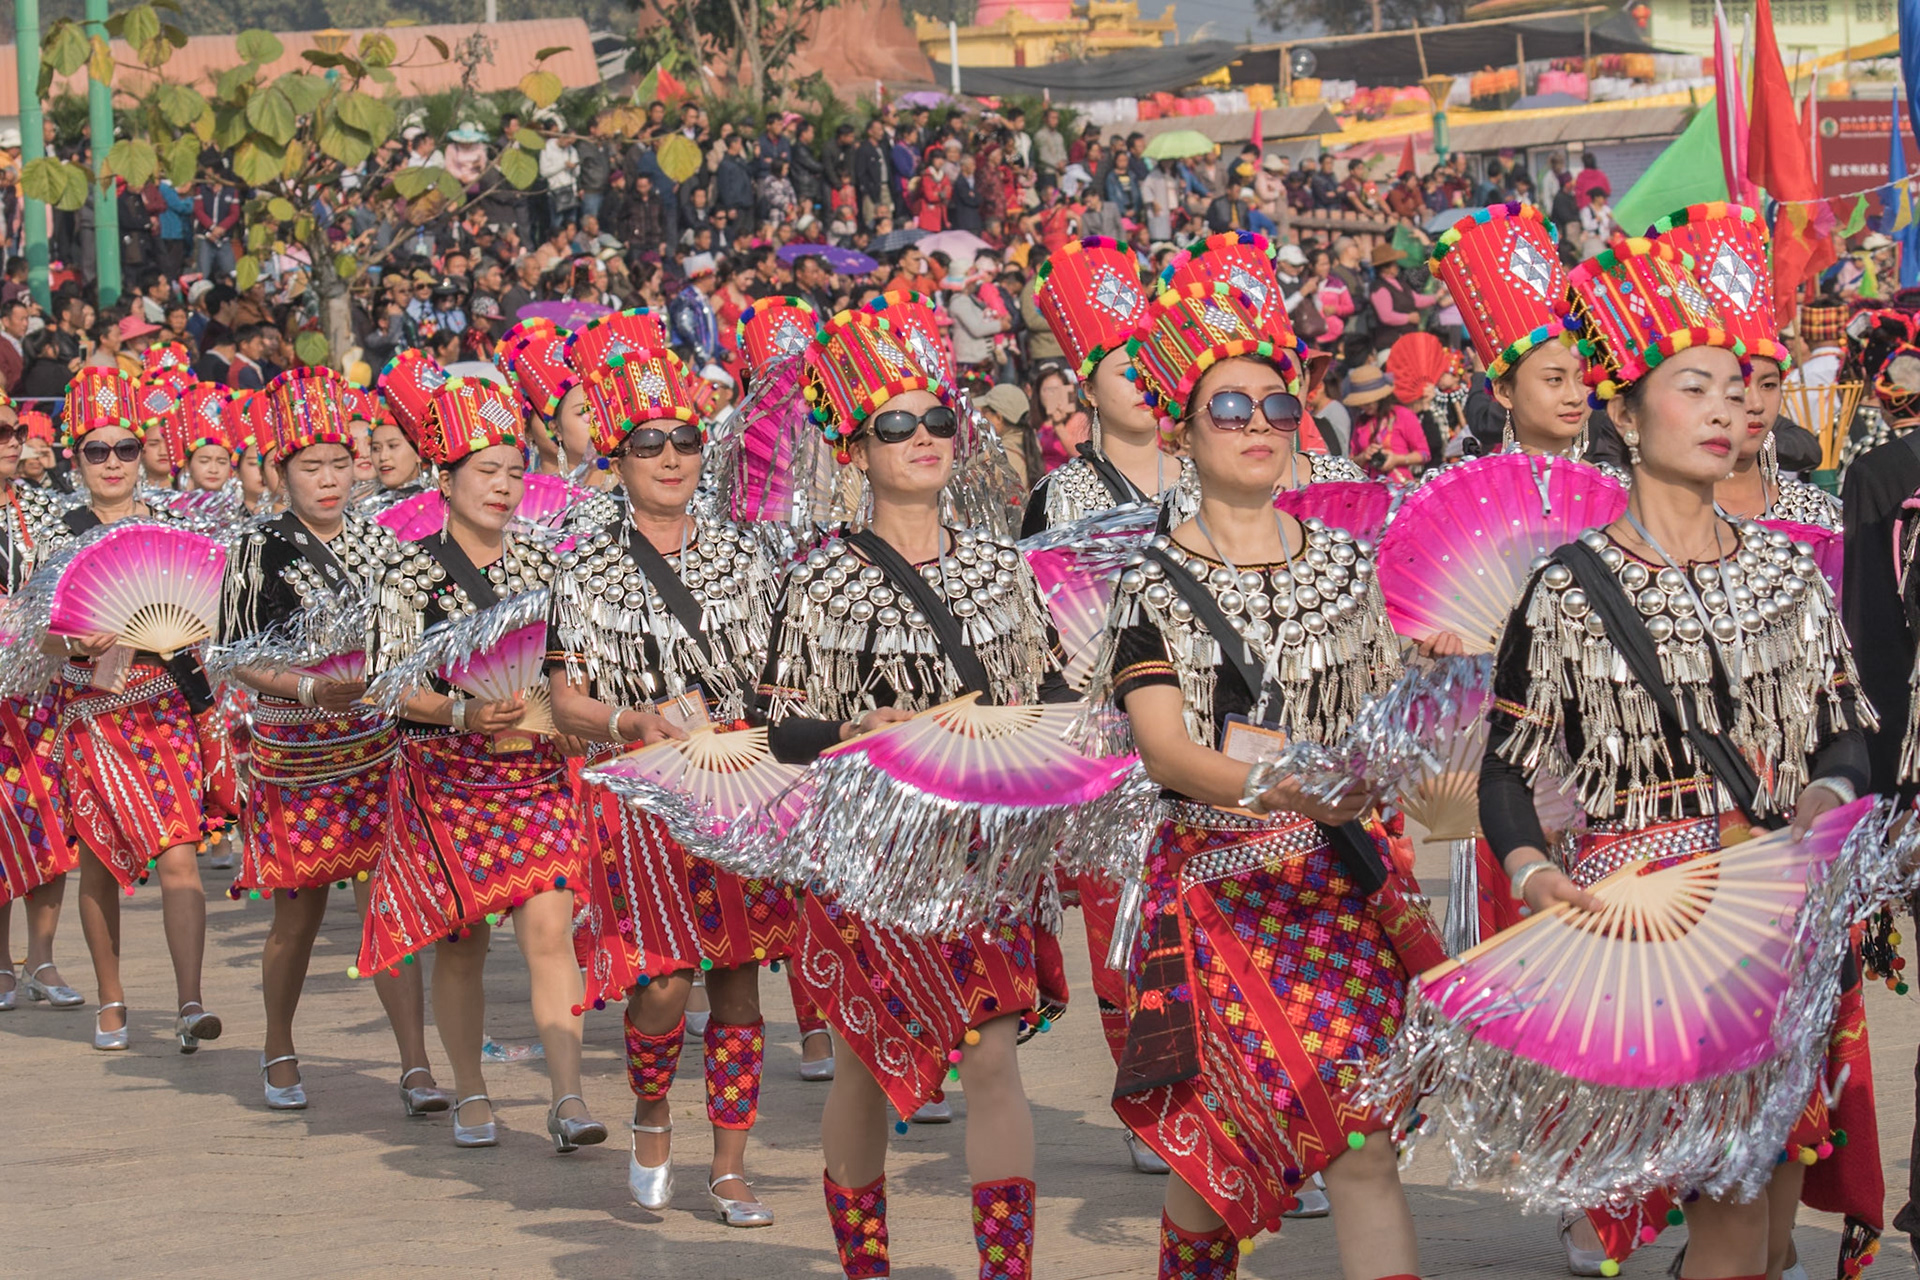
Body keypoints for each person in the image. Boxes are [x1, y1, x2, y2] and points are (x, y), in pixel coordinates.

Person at [1462, 235, 1873, 1280]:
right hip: (1650, 923)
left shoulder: (1789, 569)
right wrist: (1535, 871)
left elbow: (1845, 726)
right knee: (1732, 1216)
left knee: (1765, 1221)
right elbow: (1507, 768)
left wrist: (1826, 794)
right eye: (1697, 387)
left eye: (1740, 389)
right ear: (1627, 415)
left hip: (1777, 911)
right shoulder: (1565, 586)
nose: (1730, 409)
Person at [1099, 275, 1426, 1280]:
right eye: (1229, 409)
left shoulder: (1349, 563)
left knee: (1363, 1139)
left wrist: (1430, 702)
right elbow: (1163, 748)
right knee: (1217, 1147)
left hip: (1338, 884)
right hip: (1219, 893)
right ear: (1185, 437)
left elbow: (1385, 717)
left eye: (1279, 406)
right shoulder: (1146, 576)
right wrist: (1282, 786)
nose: (1260, 425)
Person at [756, 296, 1061, 1278]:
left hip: (985, 846)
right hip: (871, 852)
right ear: (855, 444)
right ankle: (865, 1265)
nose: (923, 437)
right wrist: (856, 727)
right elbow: (776, 724)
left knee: (992, 1050)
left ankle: (1004, 1268)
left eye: (937, 421)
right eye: (897, 423)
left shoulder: (1000, 565)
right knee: (857, 1052)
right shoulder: (815, 578)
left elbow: (1047, 690)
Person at [551, 344, 788, 1227]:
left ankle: (729, 1166)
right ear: (616, 462)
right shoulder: (583, 564)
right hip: (640, 790)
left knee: (737, 978)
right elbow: (564, 696)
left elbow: (779, 671)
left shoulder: (747, 554)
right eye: (649, 443)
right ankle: (652, 1110)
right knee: (663, 984)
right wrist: (628, 724)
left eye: (686, 440)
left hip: (737, 782)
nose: (671, 458)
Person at [357, 376, 604, 1153]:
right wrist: (459, 710)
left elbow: (572, 665)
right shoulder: (406, 573)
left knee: (549, 933)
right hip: (447, 779)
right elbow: (387, 684)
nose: (502, 485)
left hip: (534, 774)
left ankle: (568, 1096)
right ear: (444, 479)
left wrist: (571, 721)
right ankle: (470, 1089)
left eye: (512, 471)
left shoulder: (545, 564)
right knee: (460, 943)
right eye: (485, 470)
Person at [219, 367, 446, 1115]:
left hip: (379, 743)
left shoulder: (382, 545)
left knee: (390, 900)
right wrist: (309, 688)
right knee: (299, 912)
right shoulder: (256, 547)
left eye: (339, 464)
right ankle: (278, 1042)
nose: (328, 479)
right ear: (280, 472)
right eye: (309, 467)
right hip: (297, 751)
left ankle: (415, 1062)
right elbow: (231, 655)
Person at [35, 369, 226, 1054]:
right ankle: (113, 997)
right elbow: (38, 634)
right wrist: (71, 639)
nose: (112, 461)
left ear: (142, 453)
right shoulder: (58, 538)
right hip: (92, 716)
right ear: (76, 458)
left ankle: (189, 1000)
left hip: (166, 710)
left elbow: (208, 613)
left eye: (124, 447)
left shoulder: (172, 526)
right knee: (97, 864)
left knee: (180, 855)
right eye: (96, 450)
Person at [0, 393, 79, 1015]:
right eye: (1, 431)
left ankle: (43, 958)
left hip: (44, 691)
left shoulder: (48, 510)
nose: (10, 439)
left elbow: (73, 590)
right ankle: (0, 964)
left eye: (13, 430)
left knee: (49, 819)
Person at [1345, 363, 1427, 481]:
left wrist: (1397, 459)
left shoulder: (1403, 415)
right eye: (1360, 404)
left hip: (1400, 486)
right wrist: (1364, 456)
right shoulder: (1361, 422)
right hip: (1369, 488)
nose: (1364, 407)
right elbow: (1351, 462)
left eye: (1368, 403)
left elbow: (1424, 454)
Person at [1368, 243, 1436, 354]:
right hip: (1391, 342)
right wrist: (1408, 318)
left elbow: (1416, 300)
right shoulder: (1379, 288)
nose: (1397, 266)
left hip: (1407, 338)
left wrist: (1436, 297)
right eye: (1394, 264)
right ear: (1385, 268)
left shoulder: (1400, 283)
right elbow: (1386, 316)